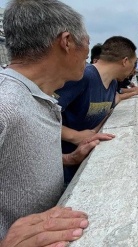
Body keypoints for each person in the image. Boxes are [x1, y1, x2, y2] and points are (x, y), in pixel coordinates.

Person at [0, 0, 112, 245]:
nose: (88, 56)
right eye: (88, 44)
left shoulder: (35, 98)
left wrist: (69, 159)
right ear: (67, 41)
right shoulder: (5, 103)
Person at [55, 36, 138, 184]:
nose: (132, 71)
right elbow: (38, 116)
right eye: (133, 64)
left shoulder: (113, 83)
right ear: (125, 61)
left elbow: (113, 101)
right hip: (60, 168)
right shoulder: (84, 77)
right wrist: (74, 136)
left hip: (80, 166)